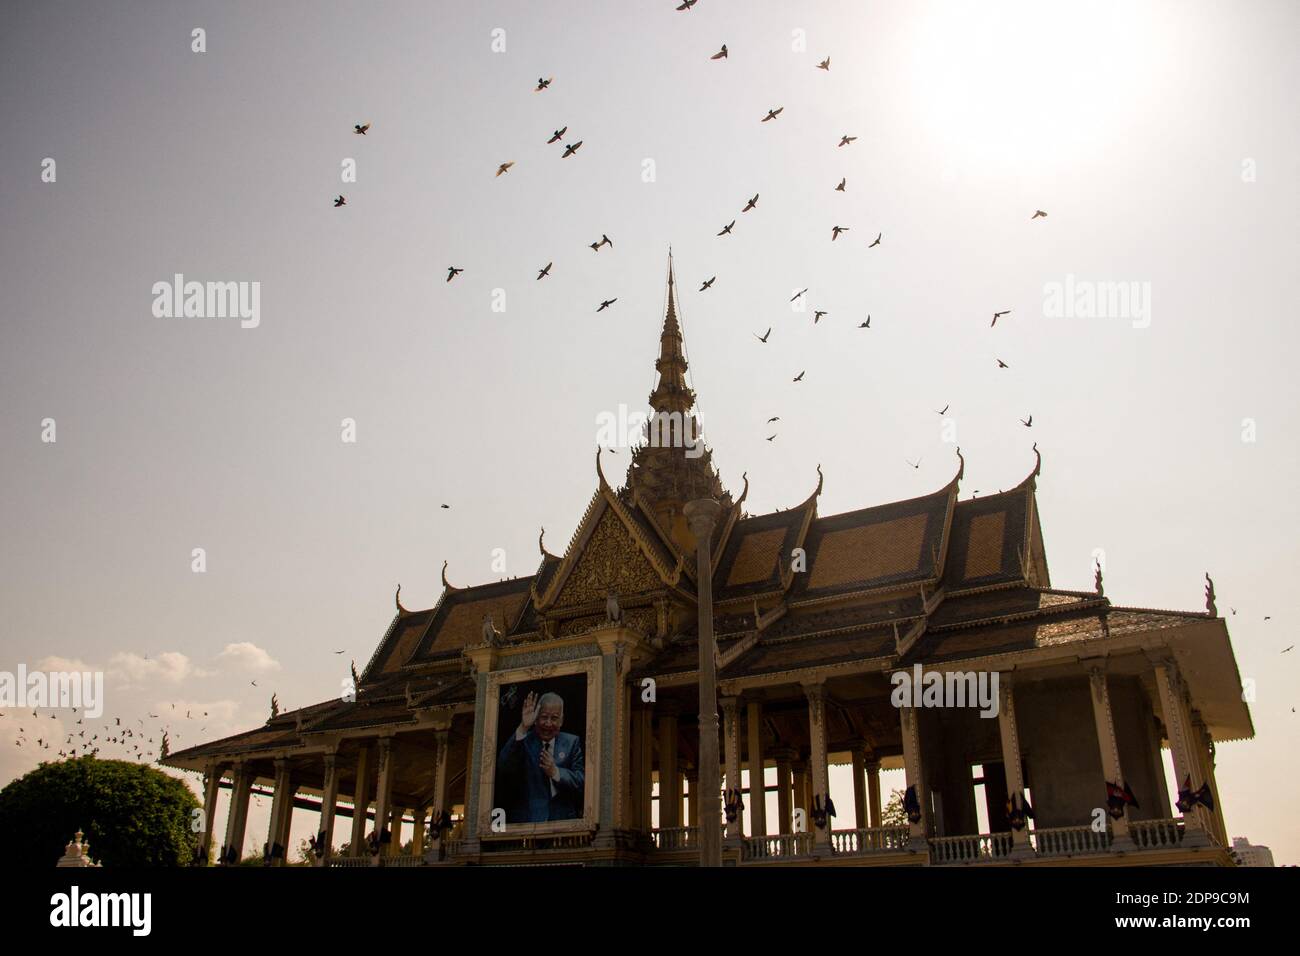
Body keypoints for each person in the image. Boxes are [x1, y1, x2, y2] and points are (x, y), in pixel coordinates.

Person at [496, 690, 584, 822]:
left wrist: (555, 772)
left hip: (563, 823)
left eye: (554, 718)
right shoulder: (524, 741)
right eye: (543, 717)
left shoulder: (572, 743)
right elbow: (503, 765)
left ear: (562, 720)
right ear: (536, 718)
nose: (548, 723)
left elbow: (581, 782)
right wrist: (523, 727)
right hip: (528, 823)